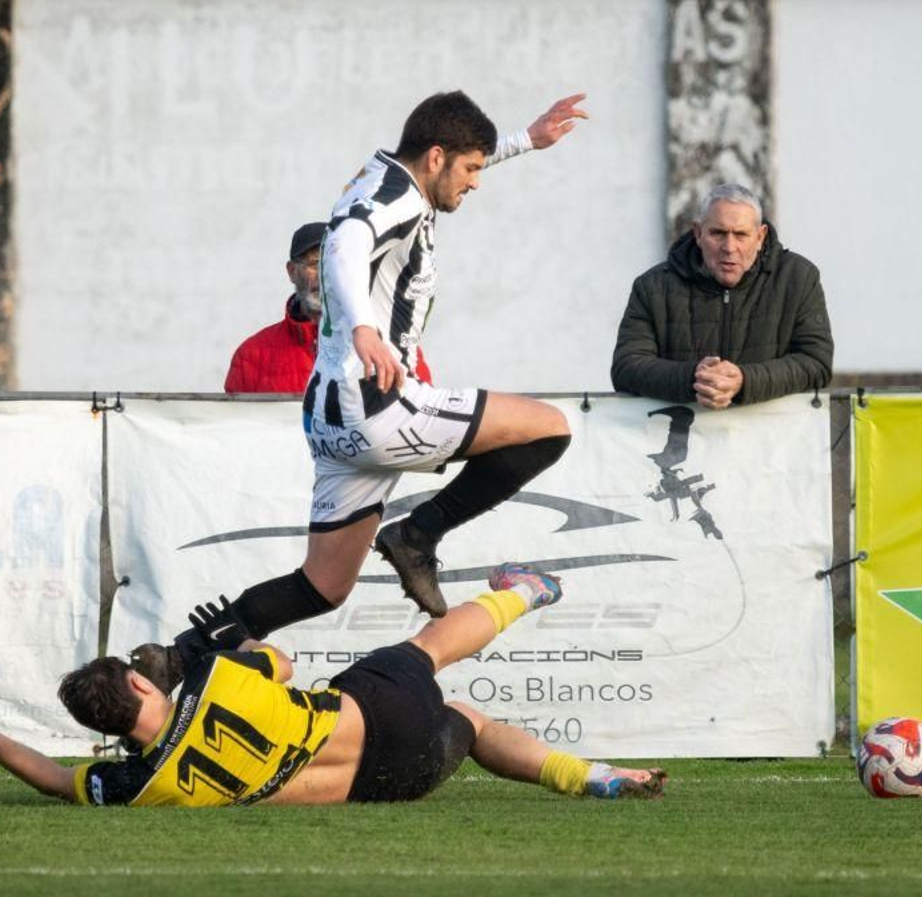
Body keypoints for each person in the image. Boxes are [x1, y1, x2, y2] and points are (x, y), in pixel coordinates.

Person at [133, 91, 588, 691]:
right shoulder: (395, 199)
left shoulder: (387, 174)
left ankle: (180, 654)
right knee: (550, 427)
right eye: (472, 169)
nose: (476, 183)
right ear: (434, 157)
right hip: (379, 402)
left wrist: (522, 142)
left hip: (329, 418)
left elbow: (392, 202)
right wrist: (365, 329)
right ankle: (419, 533)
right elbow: (344, 246)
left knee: (321, 586)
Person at [0, 563, 666, 807]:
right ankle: (529, 590)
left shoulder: (138, 785)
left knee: (467, 722)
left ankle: (590, 776)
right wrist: (237, 643)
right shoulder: (210, 678)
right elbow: (280, 667)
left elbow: (54, 780)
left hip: (392, 781)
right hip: (372, 714)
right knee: (428, 648)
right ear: (141, 690)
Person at [611, 183, 832, 409]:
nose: (729, 247)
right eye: (718, 233)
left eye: (741, 235)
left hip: (772, 441)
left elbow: (817, 363)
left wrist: (745, 381)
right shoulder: (653, 287)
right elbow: (626, 367)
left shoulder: (798, 278)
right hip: (678, 440)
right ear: (698, 233)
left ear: (760, 237)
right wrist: (695, 378)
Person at [223, 221, 432, 394]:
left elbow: (419, 418)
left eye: (332, 264)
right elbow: (235, 434)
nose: (325, 275)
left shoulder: (391, 345)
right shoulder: (251, 355)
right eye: (315, 264)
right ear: (292, 271)